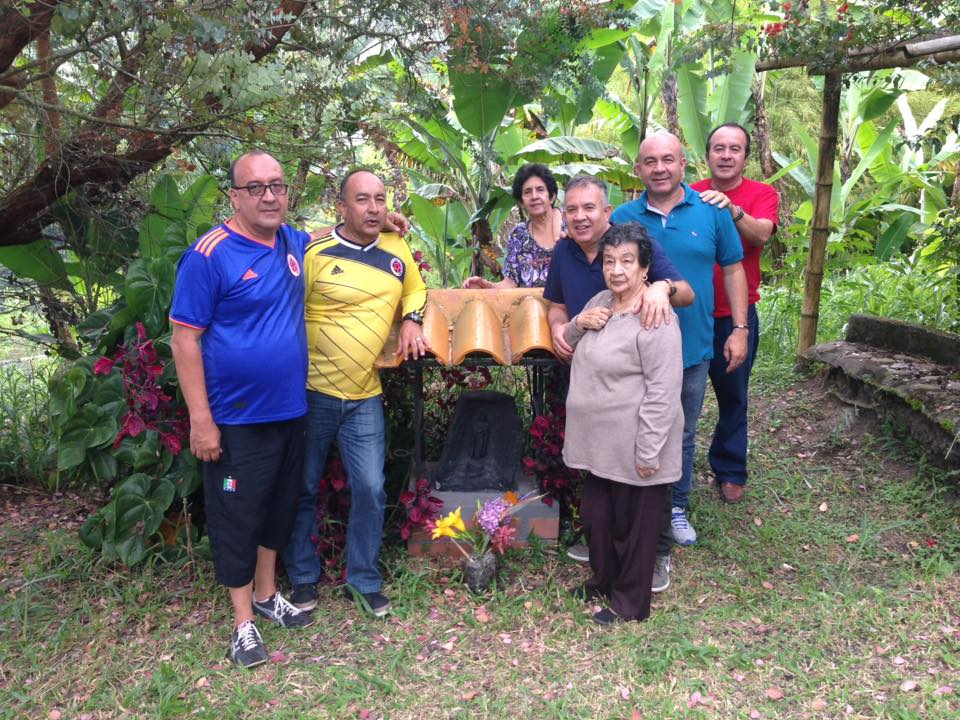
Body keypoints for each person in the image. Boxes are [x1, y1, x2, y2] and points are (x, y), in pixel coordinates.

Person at [170, 150, 314, 669]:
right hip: (235, 419)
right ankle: (242, 623)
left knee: (278, 508)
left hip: (289, 411)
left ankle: (267, 593)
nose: (269, 196)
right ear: (234, 196)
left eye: (277, 185)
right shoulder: (209, 255)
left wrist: (383, 220)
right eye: (256, 187)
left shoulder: (292, 242)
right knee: (238, 516)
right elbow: (184, 339)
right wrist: (201, 421)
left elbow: (331, 235)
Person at [282, 168, 429, 617]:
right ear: (341, 207)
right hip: (310, 393)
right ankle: (302, 578)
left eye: (380, 199)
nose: (373, 208)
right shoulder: (314, 252)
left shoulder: (397, 249)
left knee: (370, 487)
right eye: (362, 199)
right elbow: (284, 308)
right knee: (302, 486)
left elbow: (416, 290)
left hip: (365, 395)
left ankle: (362, 580)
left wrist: (412, 320)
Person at [544, 174, 693, 584]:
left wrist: (662, 289)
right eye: (572, 209)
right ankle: (605, 549)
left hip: (636, 371)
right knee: (604, 479)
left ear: (606, 211)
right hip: (595, 366)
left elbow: (686, 291)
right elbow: (555, 304)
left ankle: (654, 554)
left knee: (646, 476)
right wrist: (563, 328)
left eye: (589, 207)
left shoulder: (635, 244)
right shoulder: (565, 252)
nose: (580, 216)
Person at [611, 132, 748, 550]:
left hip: (692, 345)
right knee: (632, 426)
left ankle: (675, 506)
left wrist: (740, 329)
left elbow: (733, 269)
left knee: (682, 431)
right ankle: (630, 504)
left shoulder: (712, 211)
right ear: (638, 169)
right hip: (634, 349)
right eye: (650, 162)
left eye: (668, 159)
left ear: (683, 164)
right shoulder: (623, 216)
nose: (660, 168)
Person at [562, 222, 683, 625]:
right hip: (601, 445)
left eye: (627, 261)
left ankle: (630, 603)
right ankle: (605, 579)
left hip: (636, 444)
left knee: (636, 526)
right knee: (598, 517)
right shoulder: (601, 300)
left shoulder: (654, 314)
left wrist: (648, 451)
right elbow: (567, 341)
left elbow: (664, 389)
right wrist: (579, 323)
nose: (616, 270)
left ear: (645, 268)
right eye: (610, 261)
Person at [692, 123, 779, 504]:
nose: (726, 156)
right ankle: (674, 468)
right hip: (690, 313)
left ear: (745, 156)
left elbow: (761, 234)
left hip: (735, 316)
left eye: (734, 149)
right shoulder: (690, 192)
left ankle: (729, 468)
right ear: (708, 154)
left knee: (733, 395)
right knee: (679, 394)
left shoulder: (762, 194)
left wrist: (732, 209)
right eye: (719, 148)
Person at [462, 163, 563, 289]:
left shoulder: (571, 224)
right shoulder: (519, 235)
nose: (534, 196)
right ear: (521, 202)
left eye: (540, 189)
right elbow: (509, 283)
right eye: (527, 192)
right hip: (532, 301)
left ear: (552, 197)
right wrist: (485, 285)